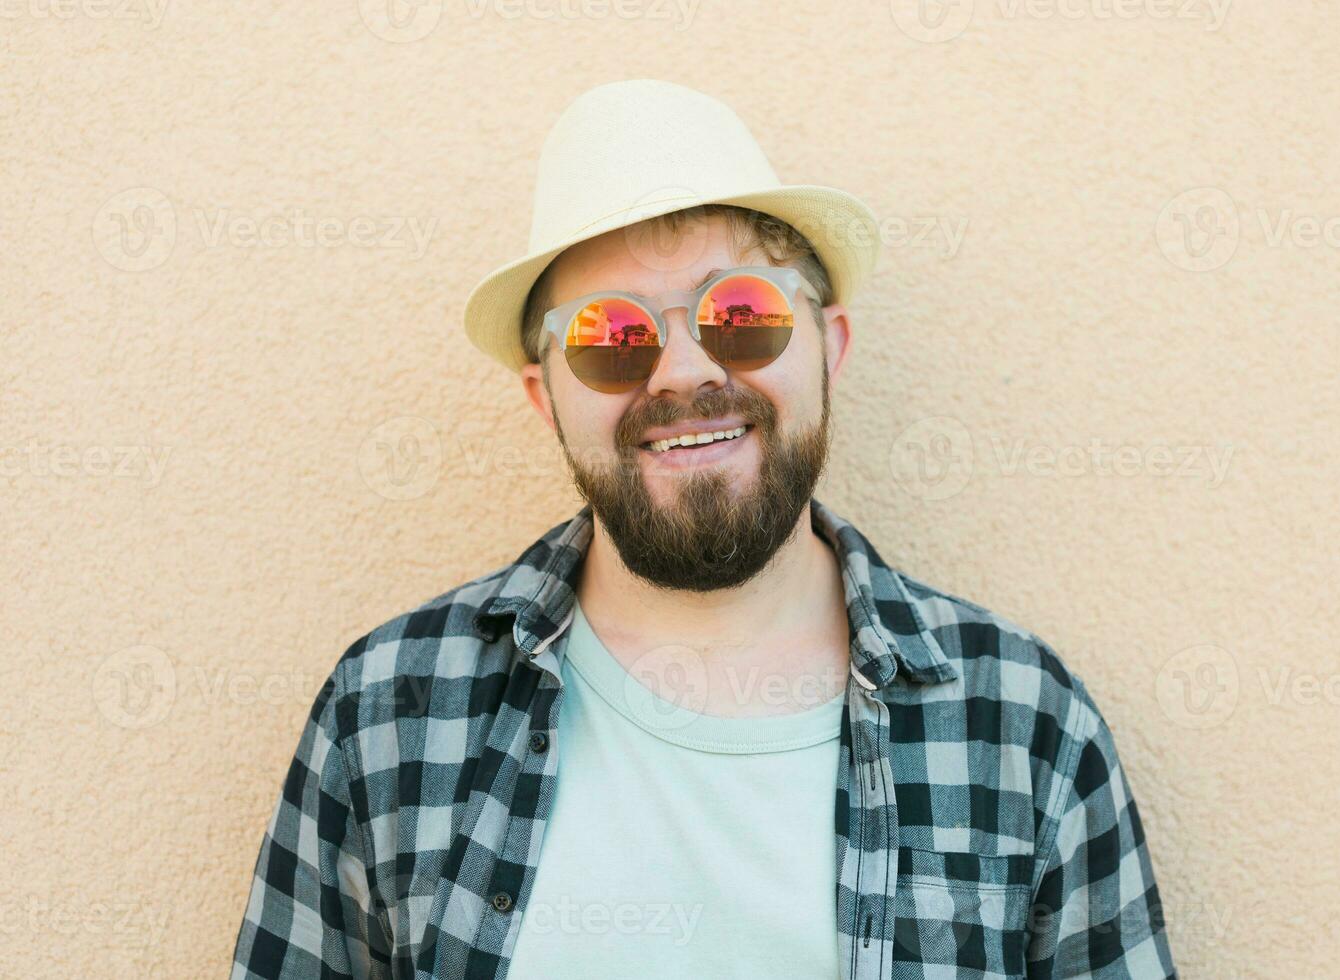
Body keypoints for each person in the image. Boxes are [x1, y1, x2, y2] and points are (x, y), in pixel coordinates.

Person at [230, 78, 1176, 980]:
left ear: (829, 347)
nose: (683, 374)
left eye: (742, 315)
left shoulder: (1024, 723)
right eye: (611, 337)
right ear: (544, 396)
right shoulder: (388, 713)